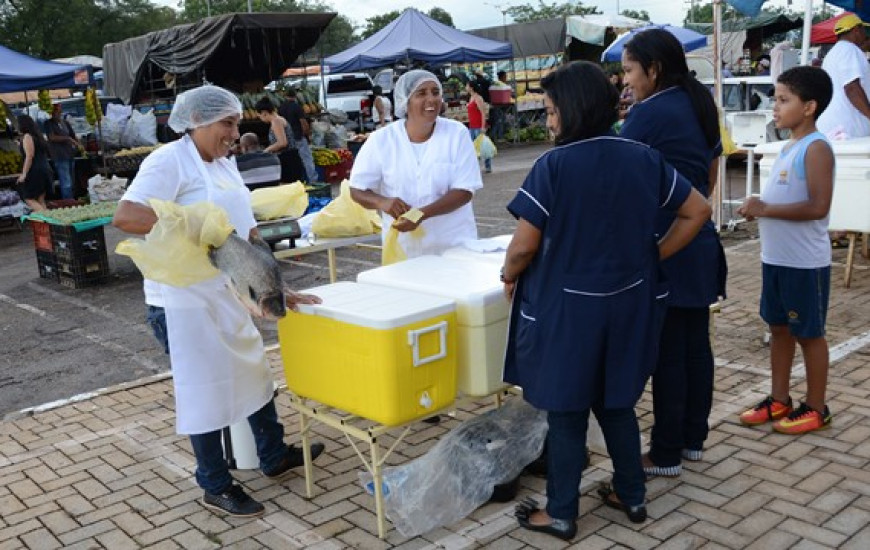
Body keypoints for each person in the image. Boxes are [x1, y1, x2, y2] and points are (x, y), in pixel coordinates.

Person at [504, 61, 711, 541]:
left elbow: (522, 247)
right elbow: (697, 209)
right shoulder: (641, 156)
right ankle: (632, 496)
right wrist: (653, 257)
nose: (549, 122)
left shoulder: (553, 166)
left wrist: (509, 273)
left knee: (568, 410)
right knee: (617, 404)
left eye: (552, 111)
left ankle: (560, 512)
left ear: (572, 109)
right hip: (629, 306)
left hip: (569, 313)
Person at [112, 85, 325, 518]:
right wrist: (191, 226)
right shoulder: (169, 160)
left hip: (226, 294)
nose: (234, 131)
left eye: (235, 122)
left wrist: (274, 285)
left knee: (254, 371)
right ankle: (214, 483)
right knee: (204, 390)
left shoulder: (227, 166)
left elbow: (247, 237)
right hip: (181, 302)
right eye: (226, 123)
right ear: (196, 122)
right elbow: (126, 216)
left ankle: (272, 455)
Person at [619, 28, 728, 478]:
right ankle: (692, 440)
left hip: (670, 244)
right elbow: (713, 165)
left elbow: (618, 174)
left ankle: (665, 453)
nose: (625, 80)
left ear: (654, 68)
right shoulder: (699, 101)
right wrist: (697, 208)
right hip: (699, 240)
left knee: (668, 353)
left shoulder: (648, 113)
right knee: (694, 347)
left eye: (628, 70)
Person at [737, 67, 835, 435]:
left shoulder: (817, 148)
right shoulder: (790, 146)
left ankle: (817, 406)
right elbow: (784, 198)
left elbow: (817, 206)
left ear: (809, 106)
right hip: (774, 259)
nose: (774, 108)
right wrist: (759, 202)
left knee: (809, 333)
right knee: (779, 328)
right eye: (775, 99)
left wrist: (765, 209)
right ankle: (779, 398)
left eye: (783, 100)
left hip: (803, 263)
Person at [349, 69, 482, 259]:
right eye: (421, 93)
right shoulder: (382, 140)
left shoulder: (456, 134)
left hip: (454, 248)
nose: (431, 99)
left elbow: (464, 191)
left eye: (435, 93)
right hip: (405, 251)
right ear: (406, 101)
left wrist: (422, 213)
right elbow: (357, 189)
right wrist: (383, 202)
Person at [817, 13, 870, 140]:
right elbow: (851, 88)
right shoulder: (850, 50)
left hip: (834, 125)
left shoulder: (833, 53)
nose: (866, 35)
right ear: (856, 30)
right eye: (864, 30)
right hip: (848, 127)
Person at [256, 97, 307, 183]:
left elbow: (282, 142)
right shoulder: (279, 119)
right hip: (290, 158)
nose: (260, 119)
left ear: (264, 113)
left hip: (288, 160)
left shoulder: (276, 121)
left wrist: (266, 150)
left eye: (259, 116)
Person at [277, 88, 318, 183]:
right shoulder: (297, 107)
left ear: (285, 96)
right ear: (295, 96)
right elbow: (303, 122)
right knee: (307, 159)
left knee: (294, 161)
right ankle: (313, 181)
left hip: (287, 139)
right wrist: (307, 135)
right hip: (298, 136)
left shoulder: (280, 108)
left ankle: (297, 181)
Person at [15, 115, 52, 212]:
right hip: (45, 169)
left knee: (29, 199)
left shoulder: (27, 136)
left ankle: (49, 219)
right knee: (40, 200)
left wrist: (24, 174)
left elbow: (29, 156)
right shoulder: (38, 137)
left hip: (35, 171)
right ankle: (46, 225)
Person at [45, 103, 81, 199]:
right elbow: (51, 137)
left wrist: (78, 144)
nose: (57, 113)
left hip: (69, 154)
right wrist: (67, 139)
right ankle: (68, 201)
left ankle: (72, 198)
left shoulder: (65, 123)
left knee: (72, 181)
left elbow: (73, 135)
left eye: (59, 111)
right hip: (59, 156)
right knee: (66, 182)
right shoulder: (49, 124)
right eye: (55, 111)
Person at [466, 80, 492, 174]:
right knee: (473, 147)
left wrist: (483, 126)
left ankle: (488, 165)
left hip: (478, 126)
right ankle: (475, 166)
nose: (466, 88)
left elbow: (483, 113)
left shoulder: (478, 98)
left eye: (467, 86)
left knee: (482, 146)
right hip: (472, 126)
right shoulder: (471, 98)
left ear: (471, 87)